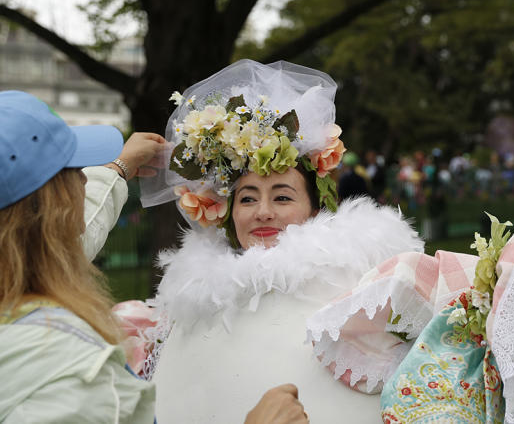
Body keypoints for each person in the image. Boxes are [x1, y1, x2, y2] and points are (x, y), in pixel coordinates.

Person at [127, 60, 423, 422]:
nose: (263, 212)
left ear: (315, 210)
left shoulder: (361, 284)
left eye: (282, 197)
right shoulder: (197, 296)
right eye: (248, 198)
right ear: (229, 212)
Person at [0, 90, 307, 423]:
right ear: (55, 206)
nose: (85, 177)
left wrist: (117, 169)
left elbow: (58, 247)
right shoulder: (65, 364)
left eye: (282, 197)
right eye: (74, 170)